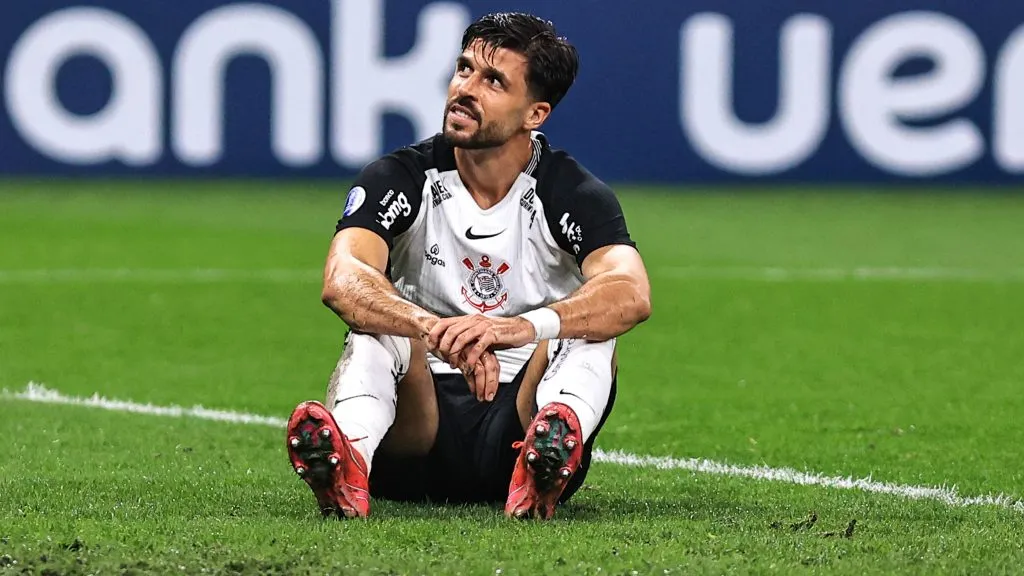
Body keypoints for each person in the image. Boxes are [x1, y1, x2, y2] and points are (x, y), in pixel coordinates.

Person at [285, 11, 651, 521]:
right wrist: (431, 327)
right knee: (376, 322)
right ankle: (349, 460)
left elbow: (630, 293)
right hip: (415, 433)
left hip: (520, 427)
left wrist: (518, 328)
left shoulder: (571, 191)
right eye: (463, 69)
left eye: (493, 80)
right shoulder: (402, 177)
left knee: (594, 327)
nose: (465, 89)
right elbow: (342, 279)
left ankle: (551, 447)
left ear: (535, 114)